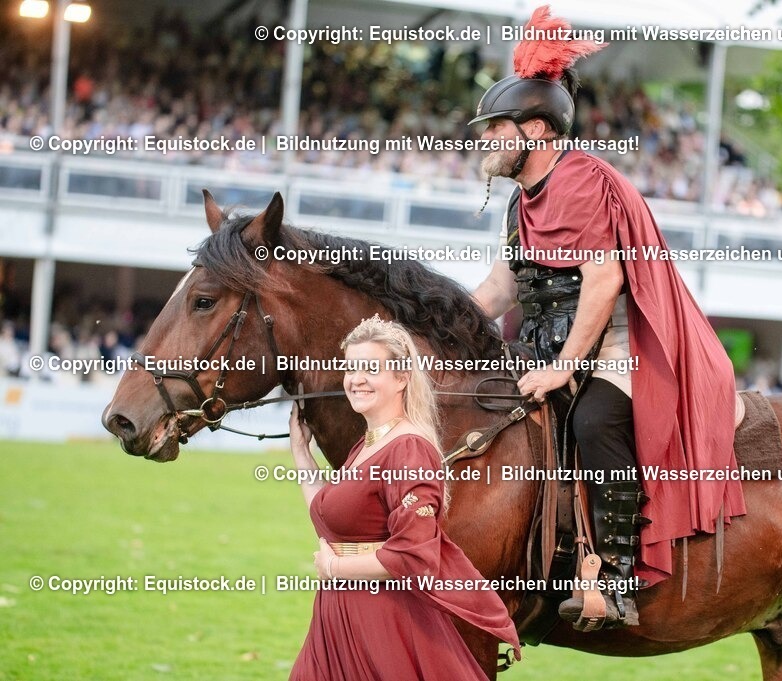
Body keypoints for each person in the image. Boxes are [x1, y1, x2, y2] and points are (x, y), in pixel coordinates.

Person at [469, 6, 743, 630]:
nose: (483, 142)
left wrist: (563, 368)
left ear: (534, 130)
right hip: (545, 347)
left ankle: (616, 578)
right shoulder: (522, 199)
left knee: (593, 420)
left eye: (495, 130)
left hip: (615, 347)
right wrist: (434, 321)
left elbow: (603, 279)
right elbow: (502, 284)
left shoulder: (581, 181)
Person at [288, 315, 519, 680]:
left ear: (401, 378)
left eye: (370, 369)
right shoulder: (368, 444)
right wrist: (301, 454)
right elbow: (332, 518)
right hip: (340, 616)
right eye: (350, 369)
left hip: (384, 624)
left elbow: (414, 554)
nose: (356, 379)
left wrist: (335, 569)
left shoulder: (408, 449)